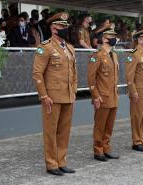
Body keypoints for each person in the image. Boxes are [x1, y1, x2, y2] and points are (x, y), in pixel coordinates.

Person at [33, 12, 77, 176]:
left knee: (64, 131)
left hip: (67, 96)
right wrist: (44, 96)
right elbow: (37, 74)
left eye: (66, 26)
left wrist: (73, 91)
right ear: (53, 28)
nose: (65, 28)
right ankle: (52, 164)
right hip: (52, 97)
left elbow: (74, 73)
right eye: (61, 26)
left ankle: (61, 161)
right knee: (51, 132)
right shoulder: (45, 47)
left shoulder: (70, 48)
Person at [87, 28, 120, 162]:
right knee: (100, 125)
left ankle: (106, 148)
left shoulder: (114, 54)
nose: (115, 39)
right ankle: (98, 150)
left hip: (113, 95)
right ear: (105, 38)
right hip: (102, 96)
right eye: (112, 37)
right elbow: (91, 78)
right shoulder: (98, 55)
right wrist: (95, 96)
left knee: (109, 125)